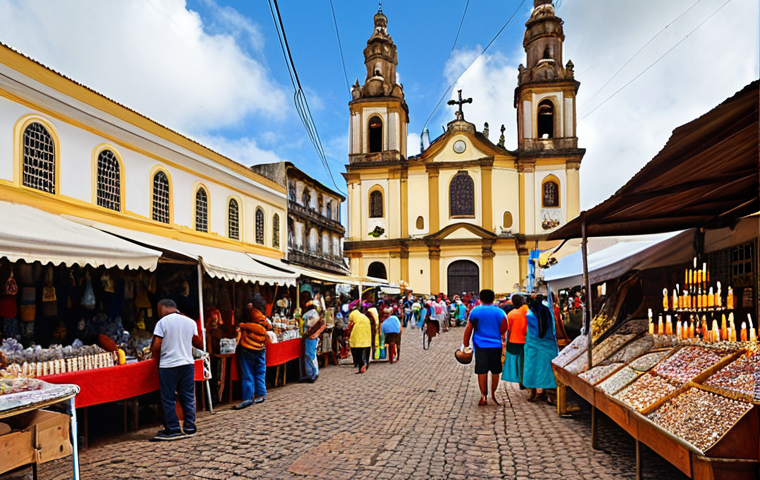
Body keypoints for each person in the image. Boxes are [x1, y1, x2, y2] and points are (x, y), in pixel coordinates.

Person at [150, 299, 202, 441]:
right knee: (188, 396)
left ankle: (173, 429)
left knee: (168, 398)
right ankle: (190, 426)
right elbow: (197, 341)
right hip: (187, 363)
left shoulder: (162, 323)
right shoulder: (190, 322)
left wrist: (156, 354)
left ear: (163, 308)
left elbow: (156, 345)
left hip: (168, 365)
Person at [462, 289, 507, 407]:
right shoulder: (500, 312)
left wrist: (465, 344)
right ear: (493, 299)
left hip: (480, 345)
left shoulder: (475, 311)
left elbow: (468, 328)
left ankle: (483, 396)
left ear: (480, 299)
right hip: (495, 345)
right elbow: (503, 328)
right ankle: (493, 394)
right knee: (496, 371)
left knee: (482, 371)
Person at [234, 294, 271, 409]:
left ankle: (248, 397)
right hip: (260, 348)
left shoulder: (251, 314)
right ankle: (261, 394)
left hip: (247, 347)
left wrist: (243, 325)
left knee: (248, 373)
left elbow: (248, 326)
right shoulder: (264, 317)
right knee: (260, 371)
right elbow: (266, 329)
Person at [523, 294, 559, 404]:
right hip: (548, 344)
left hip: (532, 345)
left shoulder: (529, 314)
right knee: (548, 369)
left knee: (532, 368)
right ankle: (549, 394)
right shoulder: (548, 312)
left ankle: (533, 393)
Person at [502, 294, 528, 389]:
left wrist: (504, 341)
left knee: (517, 362)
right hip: (526, 340)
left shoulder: (510, 314)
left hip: (514, 340)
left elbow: (507, 329)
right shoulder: (527, 311)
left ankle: (520, 380)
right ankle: (524, 380)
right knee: (525, 361)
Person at [302, 306, 325, 382]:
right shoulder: (314, 315)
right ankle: (310, 373)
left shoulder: (312, 314)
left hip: (312, 338)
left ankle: (314, 373)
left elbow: (308, 323)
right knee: (308, 356)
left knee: (311, 356)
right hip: (310, 338)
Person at [348, 300, 372, 373]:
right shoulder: (364, 316)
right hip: (366, 330)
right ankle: (366, 363)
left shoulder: (352, 314)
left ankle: (360, 364)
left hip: (358, 330)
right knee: (366, 347)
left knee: (357, 348)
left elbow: (350, 325)